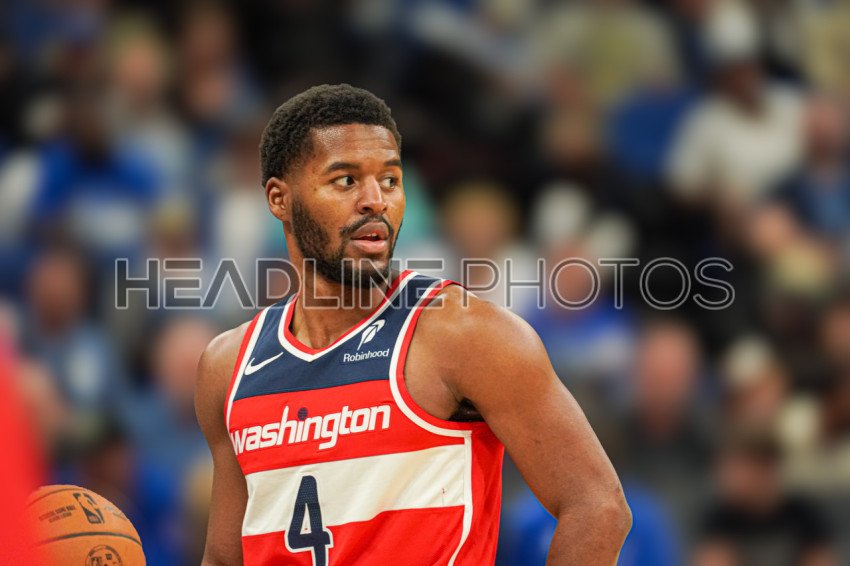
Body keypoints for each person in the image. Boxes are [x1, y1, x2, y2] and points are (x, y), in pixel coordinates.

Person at [195, 84, 630, 565]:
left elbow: (598, 507)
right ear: (280, 199)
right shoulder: (228, 366)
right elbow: (224, 559)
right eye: (346, 180)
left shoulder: (461, 333)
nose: (375, 201)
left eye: (390, 180)